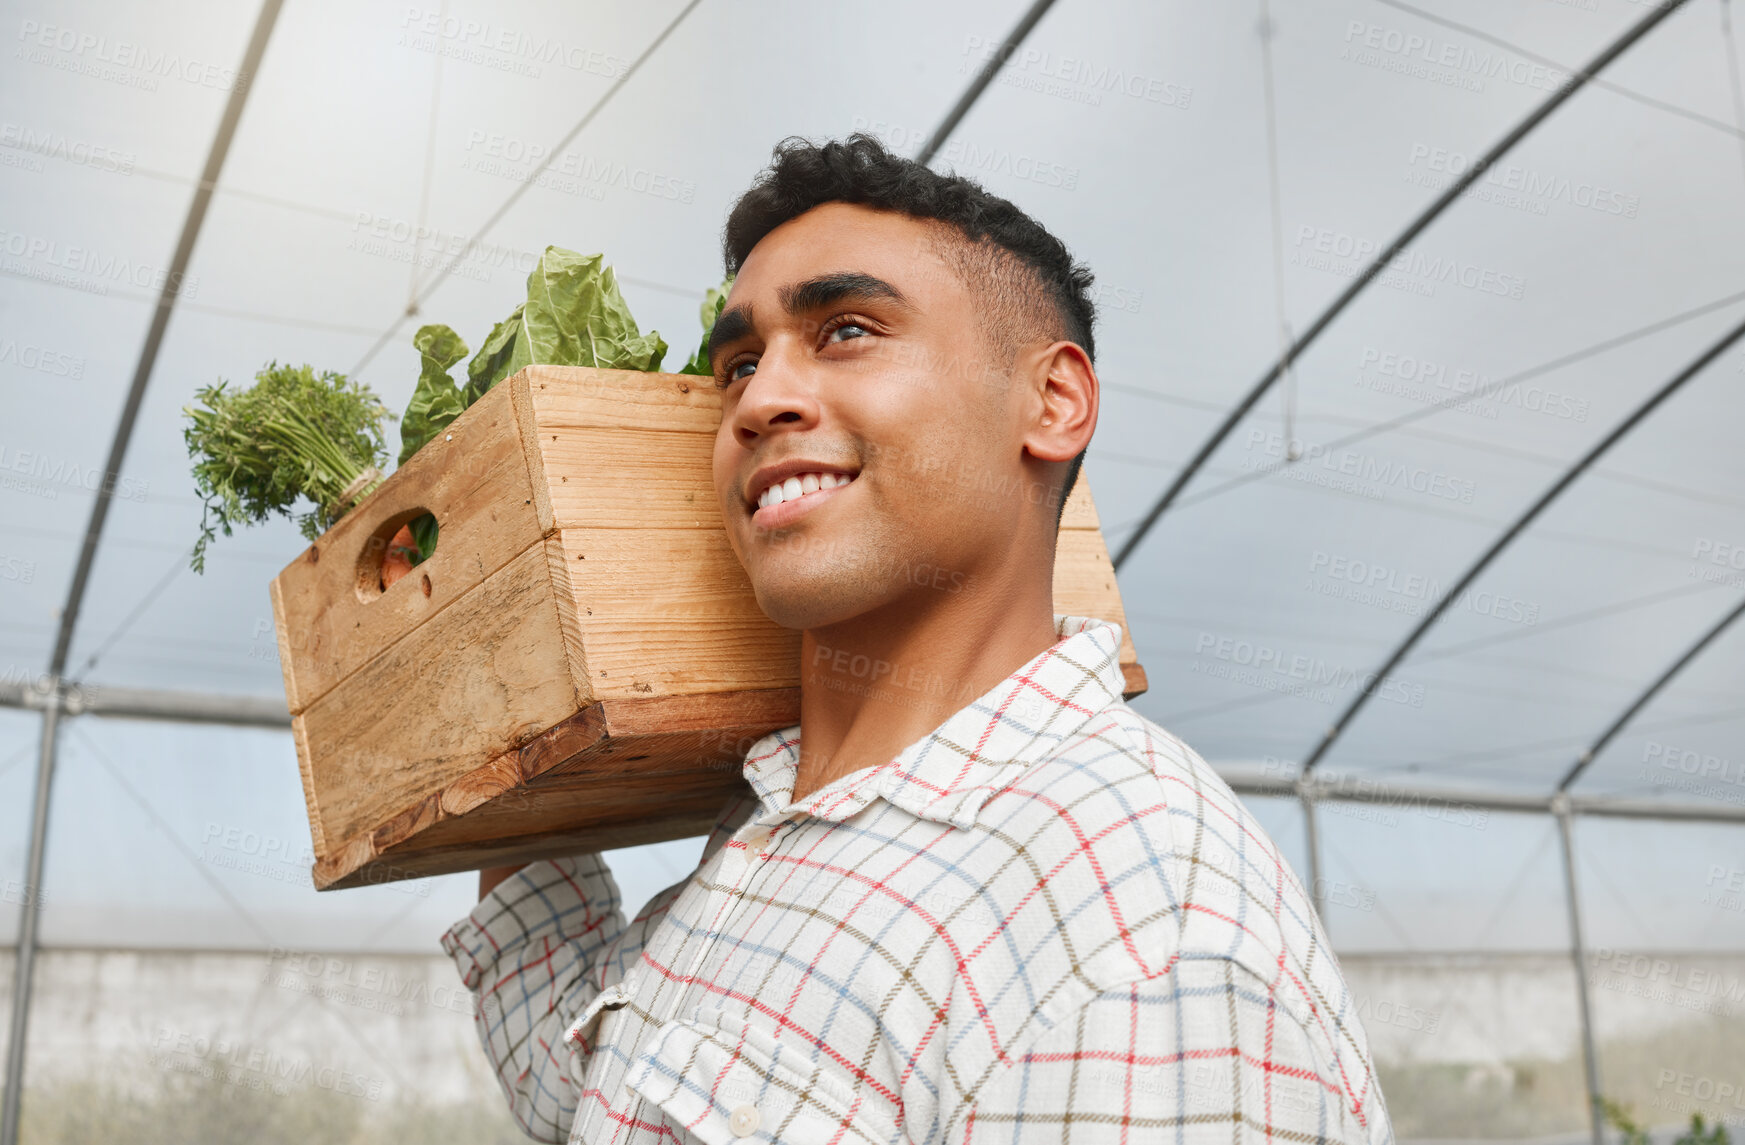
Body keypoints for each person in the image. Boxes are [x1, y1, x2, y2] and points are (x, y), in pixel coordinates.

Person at [442, 133, 1393, 1144]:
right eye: (738, 364)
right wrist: (498, 625)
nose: (759, 399)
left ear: (1051, 401)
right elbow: (582, 1092)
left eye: (846, 329)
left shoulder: (1134, 935)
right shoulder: (776, 822)